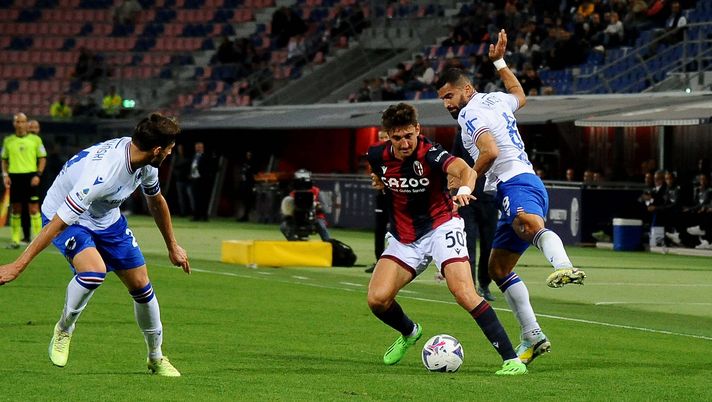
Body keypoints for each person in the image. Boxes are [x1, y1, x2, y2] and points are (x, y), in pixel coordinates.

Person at [435, 29, 586, 366]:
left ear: (466, 90)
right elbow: (520, 93)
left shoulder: (469, 114)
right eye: (443, 99)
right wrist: (500, 62)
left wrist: (467, 183)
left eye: (449, 96)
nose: (447, 105)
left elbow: (488, 151)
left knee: (527, 223)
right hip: (514, 184)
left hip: (516, 180)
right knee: (498, 268)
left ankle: (564, 267)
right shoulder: (495, 99)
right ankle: (532, 336)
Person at [0, 112, 191, 376]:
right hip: (65, 214)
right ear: (157, 149)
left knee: (141, 285)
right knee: (93, 272)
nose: (170, 154)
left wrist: (173, 245)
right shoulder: (103, 175)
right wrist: (18, 266)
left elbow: (155, 200)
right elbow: (58, 223)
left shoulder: (145, 161)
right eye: (169, 150)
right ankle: (64, 329)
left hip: (107, 218)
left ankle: (156, 357)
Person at [366, 102, 527, 376]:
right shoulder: (376, 155)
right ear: (387, 136)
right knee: (377, 300)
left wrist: (464, 186)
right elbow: (379, 175)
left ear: (417, 129)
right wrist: (379, 181)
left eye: (409, 135)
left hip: (442, 226)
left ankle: (511, 359)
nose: (405, 143)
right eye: (397, 138)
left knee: (464, 293)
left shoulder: (431, 153)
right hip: (406, 238)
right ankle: (410, 332)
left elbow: (465, 169)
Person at [451, 128, 497, 301]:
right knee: (467, 244)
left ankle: (484, 284)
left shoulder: (494, 131)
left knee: (489, 245)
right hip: (466, 198)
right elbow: (452, 163)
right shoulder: (462, 132)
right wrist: (453, 194)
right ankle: (470, 287)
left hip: (490, 198)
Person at [1, 113, 46, 248]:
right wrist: (5, 175)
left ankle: (38, 240)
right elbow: (4, 159)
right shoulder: (8, 141)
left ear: (27, 123)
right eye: (17, 122)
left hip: (30, 176)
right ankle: (15, 240)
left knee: (34, 208)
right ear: (14, 124)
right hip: (15, 176)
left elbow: (42, 157)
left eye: (22, 122)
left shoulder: (35, 140)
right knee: (15, 209)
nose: (20, 124)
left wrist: (38, 174)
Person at [280, 169, 330, 241]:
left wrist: (317, 206)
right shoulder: (293, 193)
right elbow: (287, 210)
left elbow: (325, 208)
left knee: (321, 225)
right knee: (283, 226)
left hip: (315, 217)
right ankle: (294, 242)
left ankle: (330, 244)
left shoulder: (316, 191)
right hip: (297, 217)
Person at [365, 130, 390, 273]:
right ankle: (378, 262)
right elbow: (373, 173)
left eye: (385, 137)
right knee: (379, 229)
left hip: (395, 196)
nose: (382, 140)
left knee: (398, 230)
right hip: (381, 195)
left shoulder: (396, 154)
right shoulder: (375, 154)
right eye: (380, 137)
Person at [189, 141, 215, 221]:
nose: (198, 148)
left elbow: (209, 168)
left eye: (199, 147)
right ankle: (196, 215)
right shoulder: (194, 156)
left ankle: (204, 216)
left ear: (202, 148)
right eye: (196, 147)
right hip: (195, 180)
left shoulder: (206, 156)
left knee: (204, 198)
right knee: (196, 198)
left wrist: (204, 175)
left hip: (203, 180)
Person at [237, 151, 256, 222]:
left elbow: (253, 174)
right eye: (247, 154)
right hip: (244, 184)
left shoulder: (253, 164)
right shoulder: (245, 163)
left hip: (249, 184)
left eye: (249, 155)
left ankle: (246, 215)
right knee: (243, 200)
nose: (248, 156)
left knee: (248, 200)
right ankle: (243, 215)